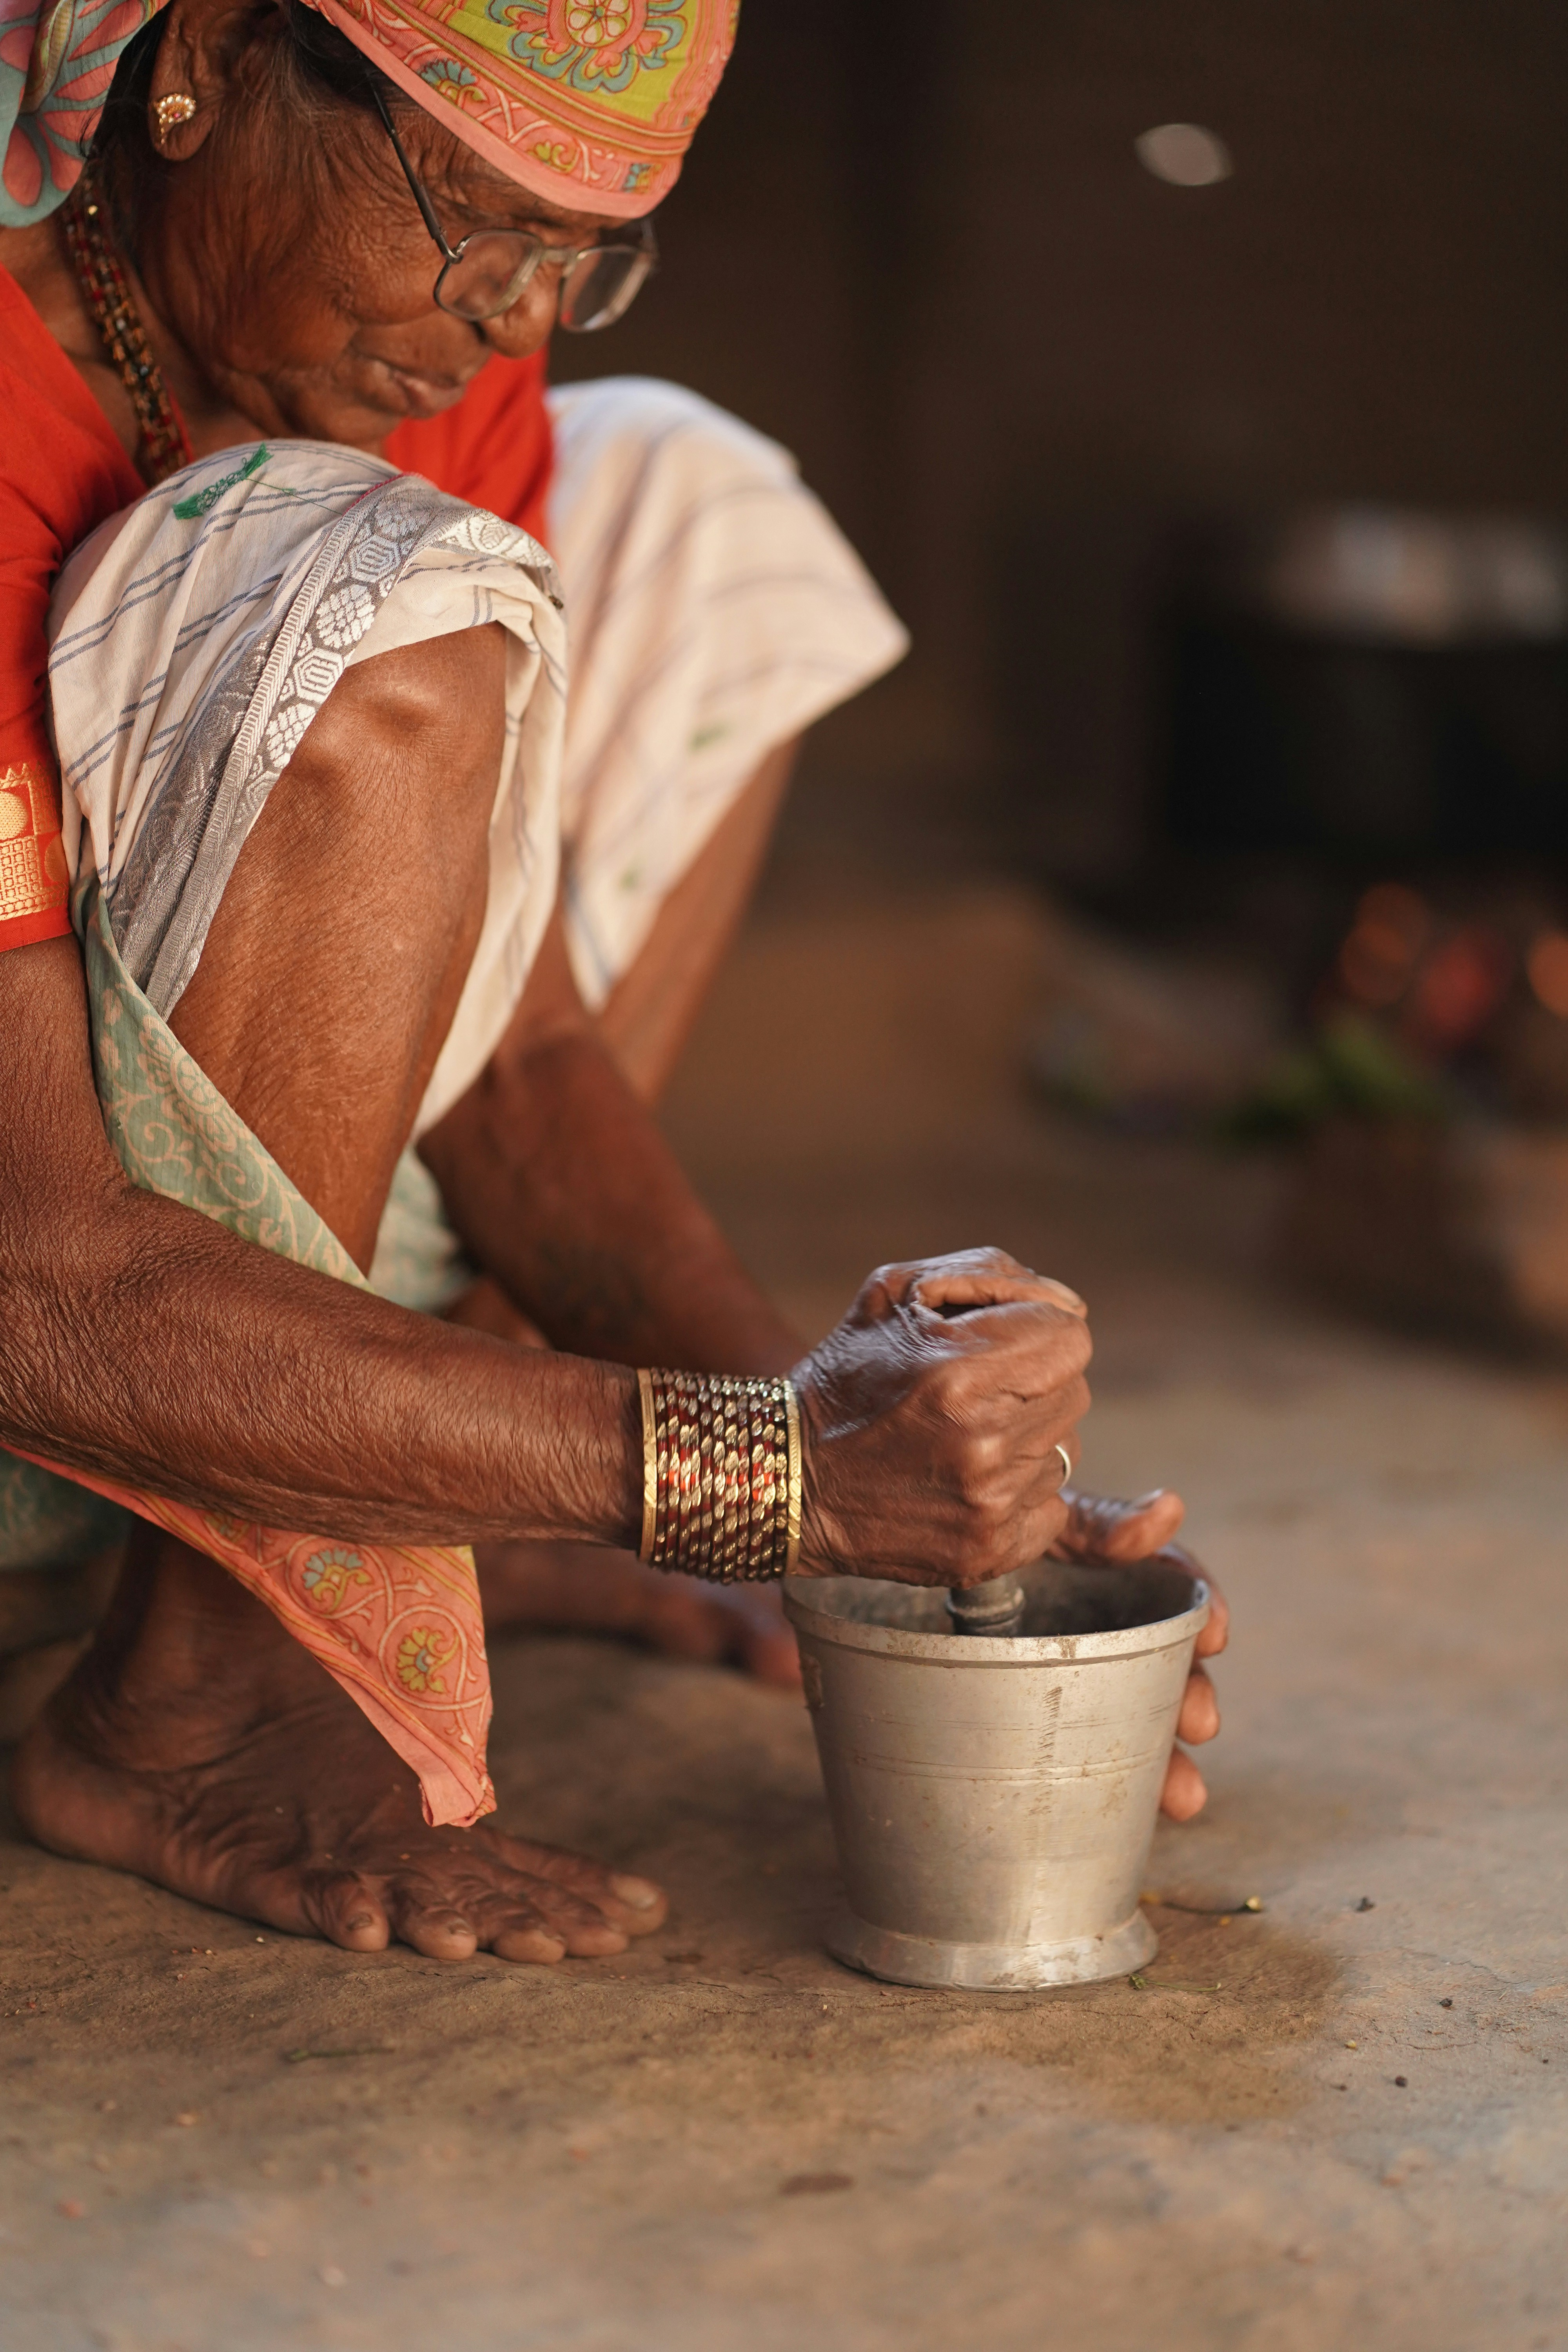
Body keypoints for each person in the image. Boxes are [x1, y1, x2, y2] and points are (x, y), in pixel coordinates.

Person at [0, 0, 1225, 1965]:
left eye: (582, 247)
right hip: (69, 1356)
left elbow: (525, 1037)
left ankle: (422, 1500)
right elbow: (37, 1281)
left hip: (220, 1309)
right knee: (347, 570)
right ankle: (197, 1682)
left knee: (692, 494)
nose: (510, 314)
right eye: (476, 217)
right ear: (205, 59)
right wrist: (751, 1473)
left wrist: (853, 1505)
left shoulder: (415, 346)